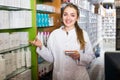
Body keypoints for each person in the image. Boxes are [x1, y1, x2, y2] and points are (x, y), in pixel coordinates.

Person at [30, 3, 95, 80]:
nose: (68, 18)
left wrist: (80, 56)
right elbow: (51, 59)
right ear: (62, 16)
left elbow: (91, 57)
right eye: (65, 14)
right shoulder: (54, 34)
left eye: (72, 15)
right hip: (60, 77)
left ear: (77, 18)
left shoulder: (83, 34)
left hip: (79, 77)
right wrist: (41, 46)